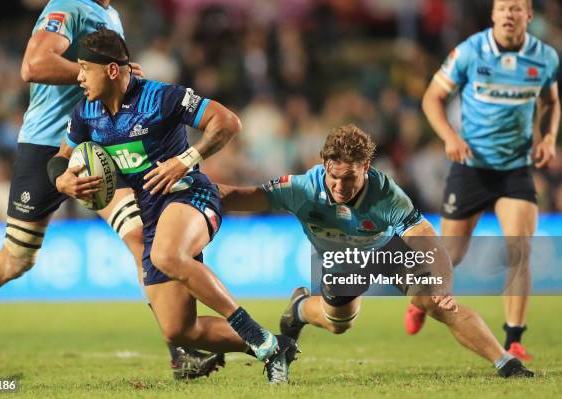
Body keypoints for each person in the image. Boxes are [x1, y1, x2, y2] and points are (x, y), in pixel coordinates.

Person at [0, 0, 222, 379]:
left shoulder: (112, 17)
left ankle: (181, 350)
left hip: (100, 142)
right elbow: (33, 65)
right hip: (49, 146)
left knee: (141, 236)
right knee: (16, 258)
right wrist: (91, 69)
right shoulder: (67, 6)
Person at [50, 29, 298, 384]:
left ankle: (255, 335)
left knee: (166, 255)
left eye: (85, 68)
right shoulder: (86, 113)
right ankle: (276, 347)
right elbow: (61, 156)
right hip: (153, 215)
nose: (78, 77)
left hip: (190, 196)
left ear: (112, 71)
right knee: (180, 331)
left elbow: (227, 122)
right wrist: (62, 180)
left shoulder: (161, 97)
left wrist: (188, 158)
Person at [220, 124, 534, 378]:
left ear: (366, 168)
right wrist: (203, 193)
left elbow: (422, 233)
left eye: (350, 179)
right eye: (334, 177)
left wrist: (440, 283)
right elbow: (245, 197)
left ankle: (506, 363)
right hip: (341, 261)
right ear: (324, 166)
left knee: (438, 303)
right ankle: (300, 308)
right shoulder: (301, 189)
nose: (340, 187)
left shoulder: (385, 192)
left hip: (387, 252)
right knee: (338, 323)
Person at [411, 0, 560, 361]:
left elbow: (552, 101)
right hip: (471, 166)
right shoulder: (469, 52)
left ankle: (514, 339)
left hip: (515, 168)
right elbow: (432, 97)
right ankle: (417, 300)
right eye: (503, 8)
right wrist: (449, 136)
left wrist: (548, 138)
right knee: (451, 256)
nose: (509, 14)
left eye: (516, 8)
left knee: (520, 248)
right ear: (493, 15)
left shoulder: (545, 57)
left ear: (528, 15)